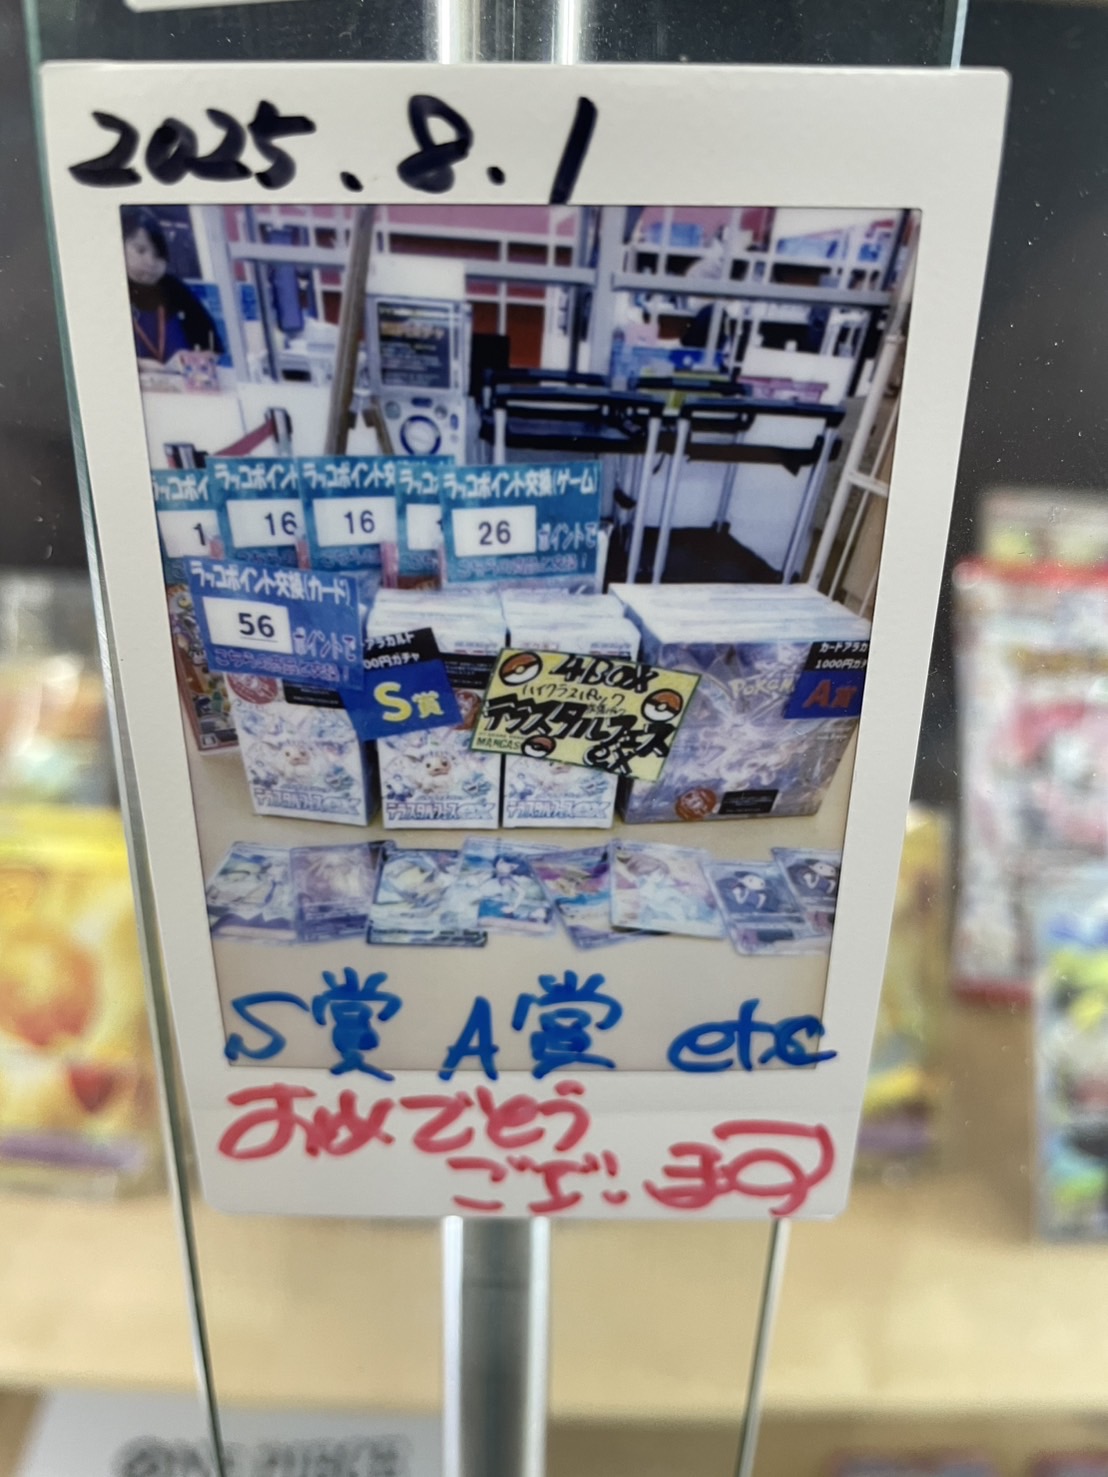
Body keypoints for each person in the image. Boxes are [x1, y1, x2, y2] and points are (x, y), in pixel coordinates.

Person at [121, 206, 223, 368]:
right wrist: (139, 366)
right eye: (140, 250)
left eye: (158, 255)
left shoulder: (177, 290)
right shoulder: (106, 293)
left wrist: (200, 358)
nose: (151, 262)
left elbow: (213, 346)